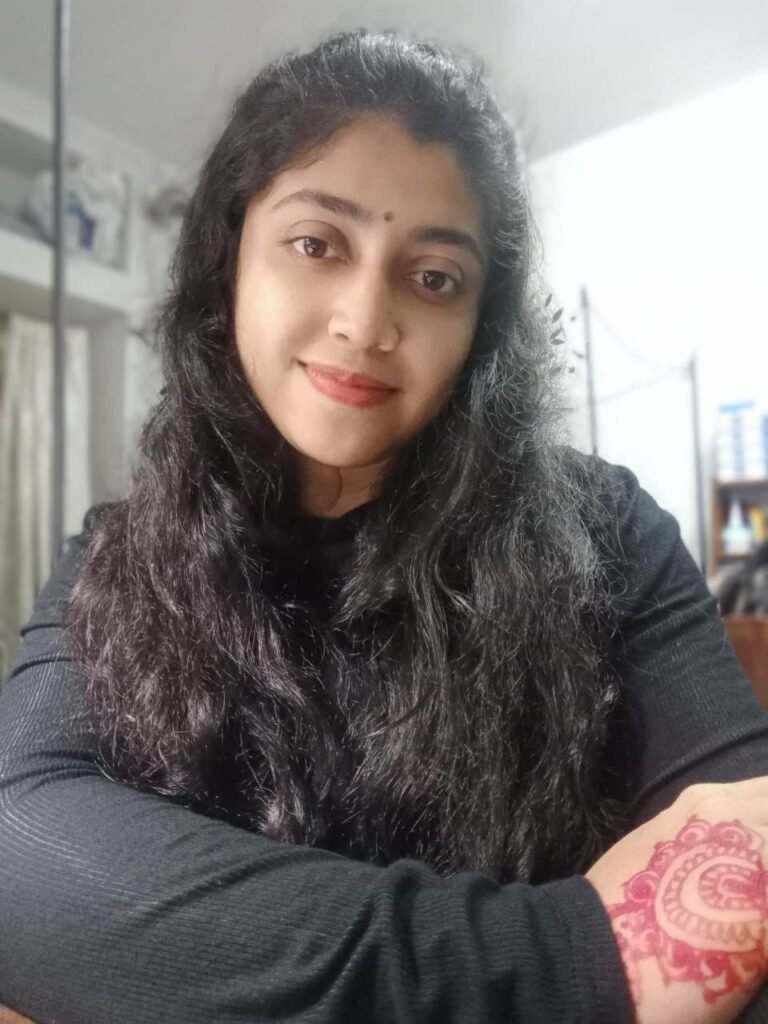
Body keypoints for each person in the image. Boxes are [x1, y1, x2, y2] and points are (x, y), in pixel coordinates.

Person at [1, 28, 767, 1024]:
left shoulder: (608, 535)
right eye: (316, 244)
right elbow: (20, 855)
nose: (365, 321)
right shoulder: (118, 556)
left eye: (434, 276)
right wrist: (581, 956)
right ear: (231, 262)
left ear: (481, 327)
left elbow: (751, 850)